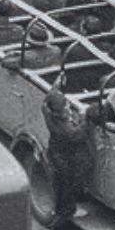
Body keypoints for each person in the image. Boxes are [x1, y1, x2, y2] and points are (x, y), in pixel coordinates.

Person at [41, 85, 94, 222]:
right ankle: (67, 212)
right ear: (60, 111)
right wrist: (85, 117)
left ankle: (64, 208)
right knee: (68, 185)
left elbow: (48, 98)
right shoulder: (67, 130)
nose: (68, 106)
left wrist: (57, 84)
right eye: (66, 106)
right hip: (66, 160)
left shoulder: (48, 113)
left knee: (62, 184)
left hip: (56, 153)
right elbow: (80, 134)